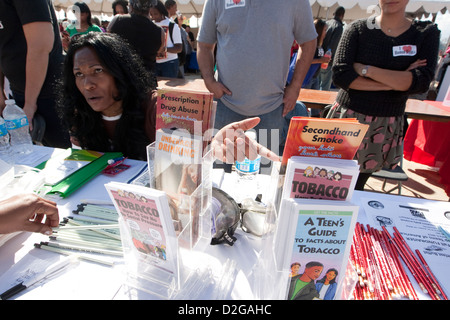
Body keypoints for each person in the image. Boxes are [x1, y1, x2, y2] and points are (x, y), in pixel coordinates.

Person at [58, 32, 278, 166]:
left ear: (120, 71)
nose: (87, 84)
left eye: (97, 70)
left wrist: (212, 148)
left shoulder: (157, 108)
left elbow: (188, 158)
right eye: (79, 74)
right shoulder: (79, 113)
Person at [329, 0, 440, 190]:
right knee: (331, 181)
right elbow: (341, 75)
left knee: (357, 187)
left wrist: (367, 70)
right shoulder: (357, 29)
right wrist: (398, 82)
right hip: (348, 118)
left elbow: (420, 82)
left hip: (385, 124)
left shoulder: (424, 33)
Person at [197, 0, 317, 157]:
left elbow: (308, 42)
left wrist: (295, 87)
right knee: (220, 175)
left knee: (265, 177)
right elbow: (204, 44)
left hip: (271, 110)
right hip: (225, 108)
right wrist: (209, 80)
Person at [0, 0, 71, 149]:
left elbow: (40, 45)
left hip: (50, 93)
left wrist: (30, 104)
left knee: (65, 159)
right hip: (18, 95)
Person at [108, 0, 164, 87]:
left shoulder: (117, 21)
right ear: (150, 7)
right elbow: (159, 50)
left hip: (122, 81)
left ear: (131, 6)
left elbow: (107, 44)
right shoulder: (159, 32)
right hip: (146, 83)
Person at [150, 1, 182, 78]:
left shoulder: (172, 26)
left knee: (169, 89)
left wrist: (164, 49)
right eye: (151, 14)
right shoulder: (150, 25)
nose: (153, 17)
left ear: (162, 12)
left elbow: (179, 48)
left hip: (170, 63)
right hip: (154, 63)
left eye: (156, 14)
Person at [317, 6, 345, 91]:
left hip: (319, 56)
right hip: (328, 60)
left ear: (334, 14)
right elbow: (333, 46)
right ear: (342, 15)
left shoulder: (327, 23)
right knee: (325, 86)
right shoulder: (339, 26)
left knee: (317, 84)